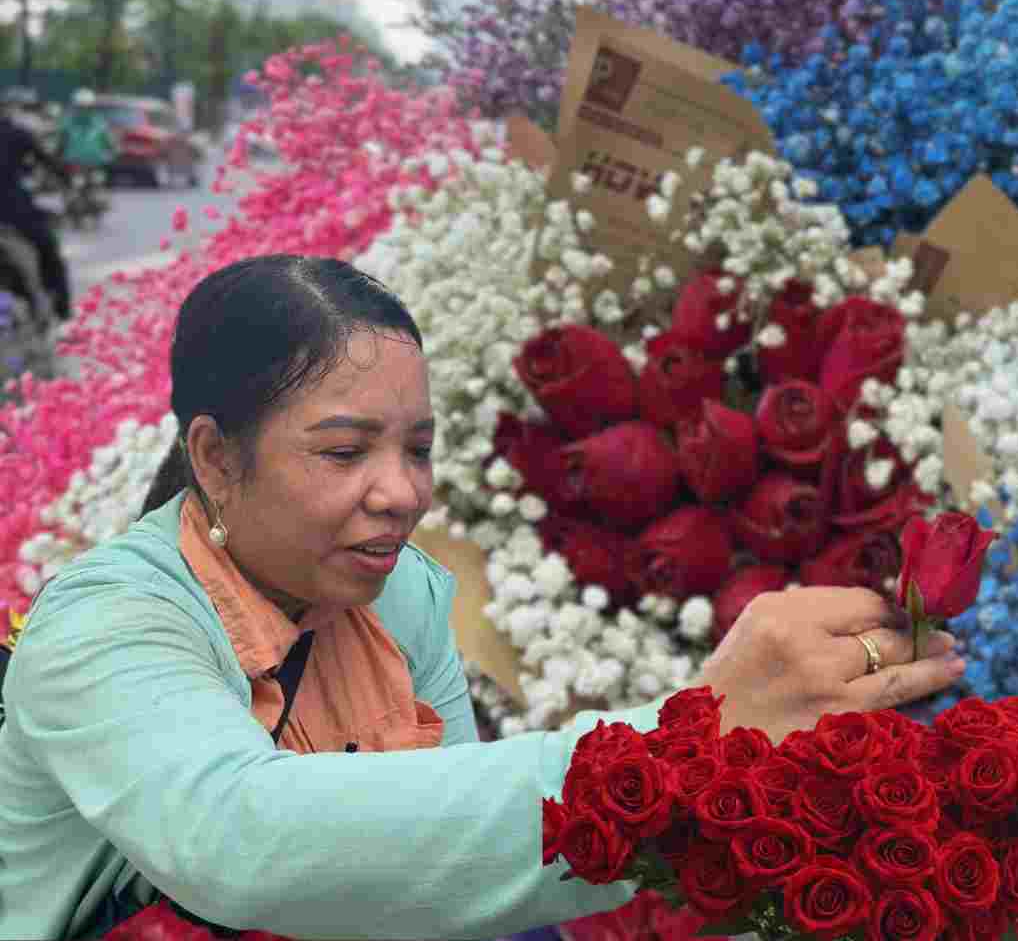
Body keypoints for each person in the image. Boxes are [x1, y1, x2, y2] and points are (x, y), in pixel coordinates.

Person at [0, 254, 967, 940]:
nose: (403, 492)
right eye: (344, 452)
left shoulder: (401, 593)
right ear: (215, 456)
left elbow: (445, 866)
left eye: (416, 447)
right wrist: (683, 743)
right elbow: (239, 841)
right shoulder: (107, 622)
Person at [0, 109, 72, 318]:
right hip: (13, 213)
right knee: (50, 253)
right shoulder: (17, 133)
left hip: (12, 211)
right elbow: (49, 163)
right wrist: (65, 179)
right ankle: (62, 313)